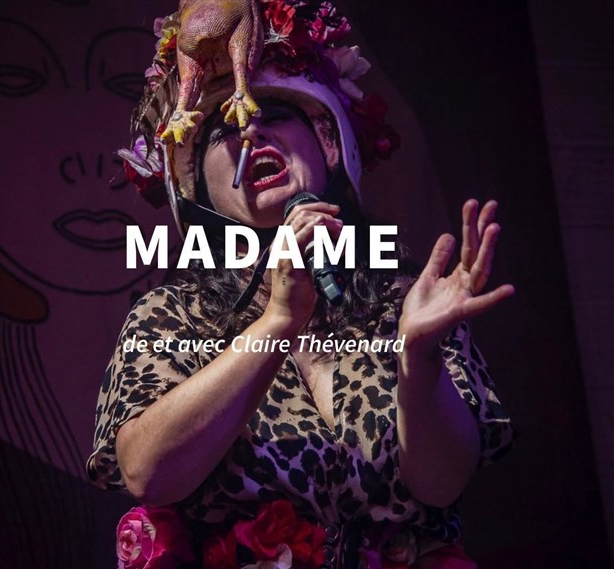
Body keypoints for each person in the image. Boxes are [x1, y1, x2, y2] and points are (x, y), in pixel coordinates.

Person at [87, 2, 515, 567]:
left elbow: (441, 484)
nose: (251, 129)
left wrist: (420, 359)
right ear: (198, 190)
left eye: (274, 113)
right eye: (223, 130)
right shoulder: (172, 314)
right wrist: (278, 321)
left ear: (328, 144)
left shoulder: (407, 303)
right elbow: (147, 473)